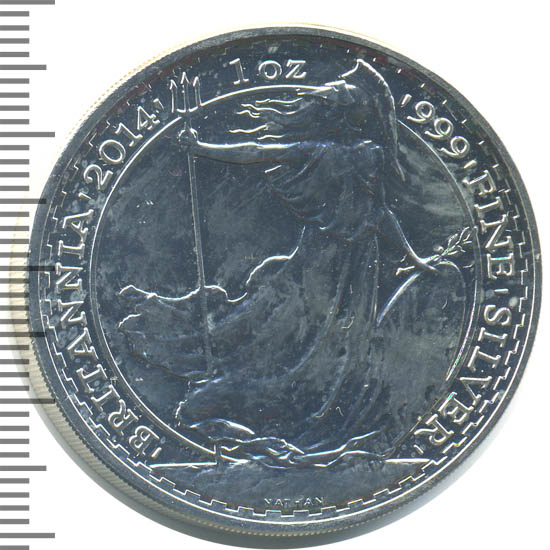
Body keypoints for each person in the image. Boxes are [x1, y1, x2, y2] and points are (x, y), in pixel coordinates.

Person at [120, 60, 444, 467]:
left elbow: (377, 212)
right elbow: (260, 153)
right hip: (329, 262)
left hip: (351, 263)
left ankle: (318, 423)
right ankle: (281, 415)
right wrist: (203, 149)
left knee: (336, 343)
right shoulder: (348, 154)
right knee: (289, 340)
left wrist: (414, 258)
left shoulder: (355, 155)